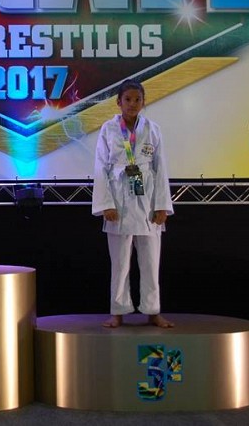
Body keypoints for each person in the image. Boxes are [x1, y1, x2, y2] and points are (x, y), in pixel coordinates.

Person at [91, 79, 174, 328]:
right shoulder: (108, 129)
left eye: (137, 99)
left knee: (151, 262)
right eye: (127, 99)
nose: (132, 104)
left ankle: (153, 311)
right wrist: (106, 204)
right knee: (120, 263)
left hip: (147, 200)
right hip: (119, 200)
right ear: (119, 102)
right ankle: (118, 311)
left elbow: (161, 168)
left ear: (143, 102)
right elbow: (100, 167)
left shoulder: (152, 129)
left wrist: (162, 205)